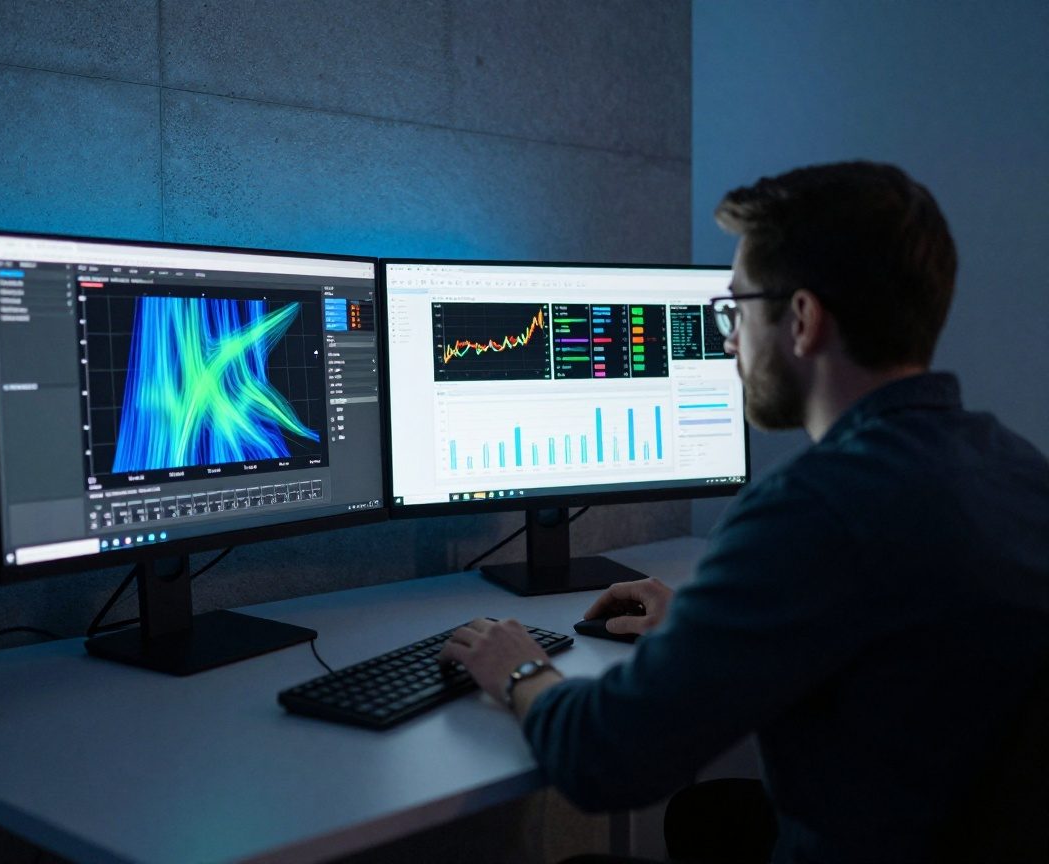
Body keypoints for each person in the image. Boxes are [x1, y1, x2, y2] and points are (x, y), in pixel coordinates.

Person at [440, 161, 1049, 863]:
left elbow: (602, 761)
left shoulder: (810, 509)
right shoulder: (1018, 468)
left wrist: (519, 669)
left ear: (801, 318)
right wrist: (708, 627)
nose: (728, 340)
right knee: (714, 815)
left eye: (736, 308)